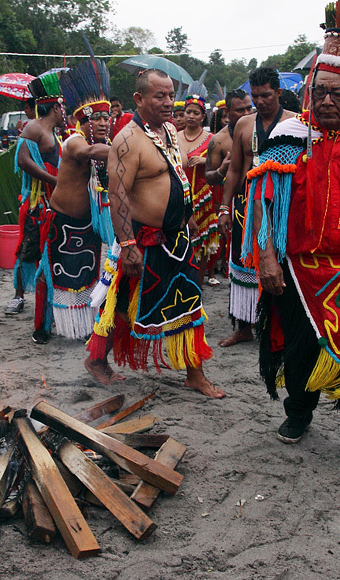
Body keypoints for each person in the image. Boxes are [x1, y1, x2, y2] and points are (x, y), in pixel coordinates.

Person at [244, 0, 340, 466]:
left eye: (338, 93)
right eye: (321, 92)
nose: (327, 100)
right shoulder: (291, 135)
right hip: (299, 265)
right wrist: (267, 259)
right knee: (299, 348)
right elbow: (264, 203)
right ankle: (299, 412)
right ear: (309, 92)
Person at [85, 69, 224, 398]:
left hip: (178, 238)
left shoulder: (170, 131)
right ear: (139, 99)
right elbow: (117, 194)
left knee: (191, 302)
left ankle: (194, 372)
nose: (167, 101)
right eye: (159, 95)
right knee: (123, 305)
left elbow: (173, 173)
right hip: (143, 239)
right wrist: (128, 244)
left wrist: (187, 213)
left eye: (170, 94)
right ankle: (97, 360)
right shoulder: (128, 141)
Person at [32, 57, 114, 343]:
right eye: (97, 118)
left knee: (89, 277)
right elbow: (86, 152)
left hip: (89, 225)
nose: (104, 122)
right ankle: (42, 327)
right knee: (53, 275)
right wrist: (129, 150)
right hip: (62, 223)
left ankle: (87, 326)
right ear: (83, 120)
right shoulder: (74, 141)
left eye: (107, 117)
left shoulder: (108, 146)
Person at [220, 70, 294, 347]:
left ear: (278, 92)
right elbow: (236, 169)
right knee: (243, 263)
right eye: (256, 96)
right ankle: (244, 327)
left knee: (281, 264)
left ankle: (281, 327)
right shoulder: (244, 125)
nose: (260, 101)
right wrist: (224, 208)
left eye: (265, 95)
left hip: (282, 207)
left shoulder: (294, 123)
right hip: (246, 206)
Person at [7, 72, 65, 317]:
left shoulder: (54, 133)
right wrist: (53, 180)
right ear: (54, 108)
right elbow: (22, 160)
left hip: (52, 203)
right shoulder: (35, 127)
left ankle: (49, 296)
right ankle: (18, 296)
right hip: (36, 203)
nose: (65, 113)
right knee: (27, 249)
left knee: (49, 251)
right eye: (62, 108)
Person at [206, 90, 253, 312]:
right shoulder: (219, 140)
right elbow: (210, 177)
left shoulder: (263, 129)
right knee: (239, 261)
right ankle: (242, 321)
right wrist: (222, 170)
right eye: (240, 110)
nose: (246, 113)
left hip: (263, 203)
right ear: (228, 112)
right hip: (237, 207)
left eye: (248, 108)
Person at [178, 93, 219, 286]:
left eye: (196, 112)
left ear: (203, 116)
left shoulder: (212, 139)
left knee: (202, 246)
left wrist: (206, 161)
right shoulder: (174, 137)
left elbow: (225, 164)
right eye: (188, 112)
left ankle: (198, 286)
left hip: (202, 199)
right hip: (178, 198)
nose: (191, 116)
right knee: (179, 244)